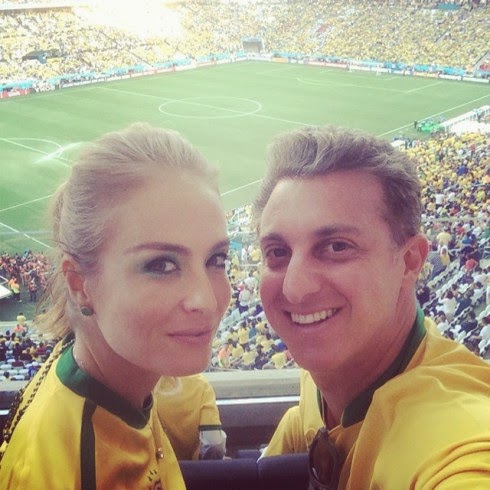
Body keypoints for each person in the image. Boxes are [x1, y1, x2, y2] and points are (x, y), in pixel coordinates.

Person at [253, 125, 490, 488]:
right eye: (277, 252)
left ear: (409, 261)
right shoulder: (333, 363)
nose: (295, 288)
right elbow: (307, 421)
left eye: (336, 247)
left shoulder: (456, 438)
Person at [0, 123, 231, 489]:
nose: (206, 300)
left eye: (216, 260)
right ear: (80, 284)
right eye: (161, 265)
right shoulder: (60, 471)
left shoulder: (126, 380)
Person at [154, 374, 227, 461]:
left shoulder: (146, 386)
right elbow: (213, 443)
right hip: (194, 466)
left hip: (158, 466)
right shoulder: (201, 384)